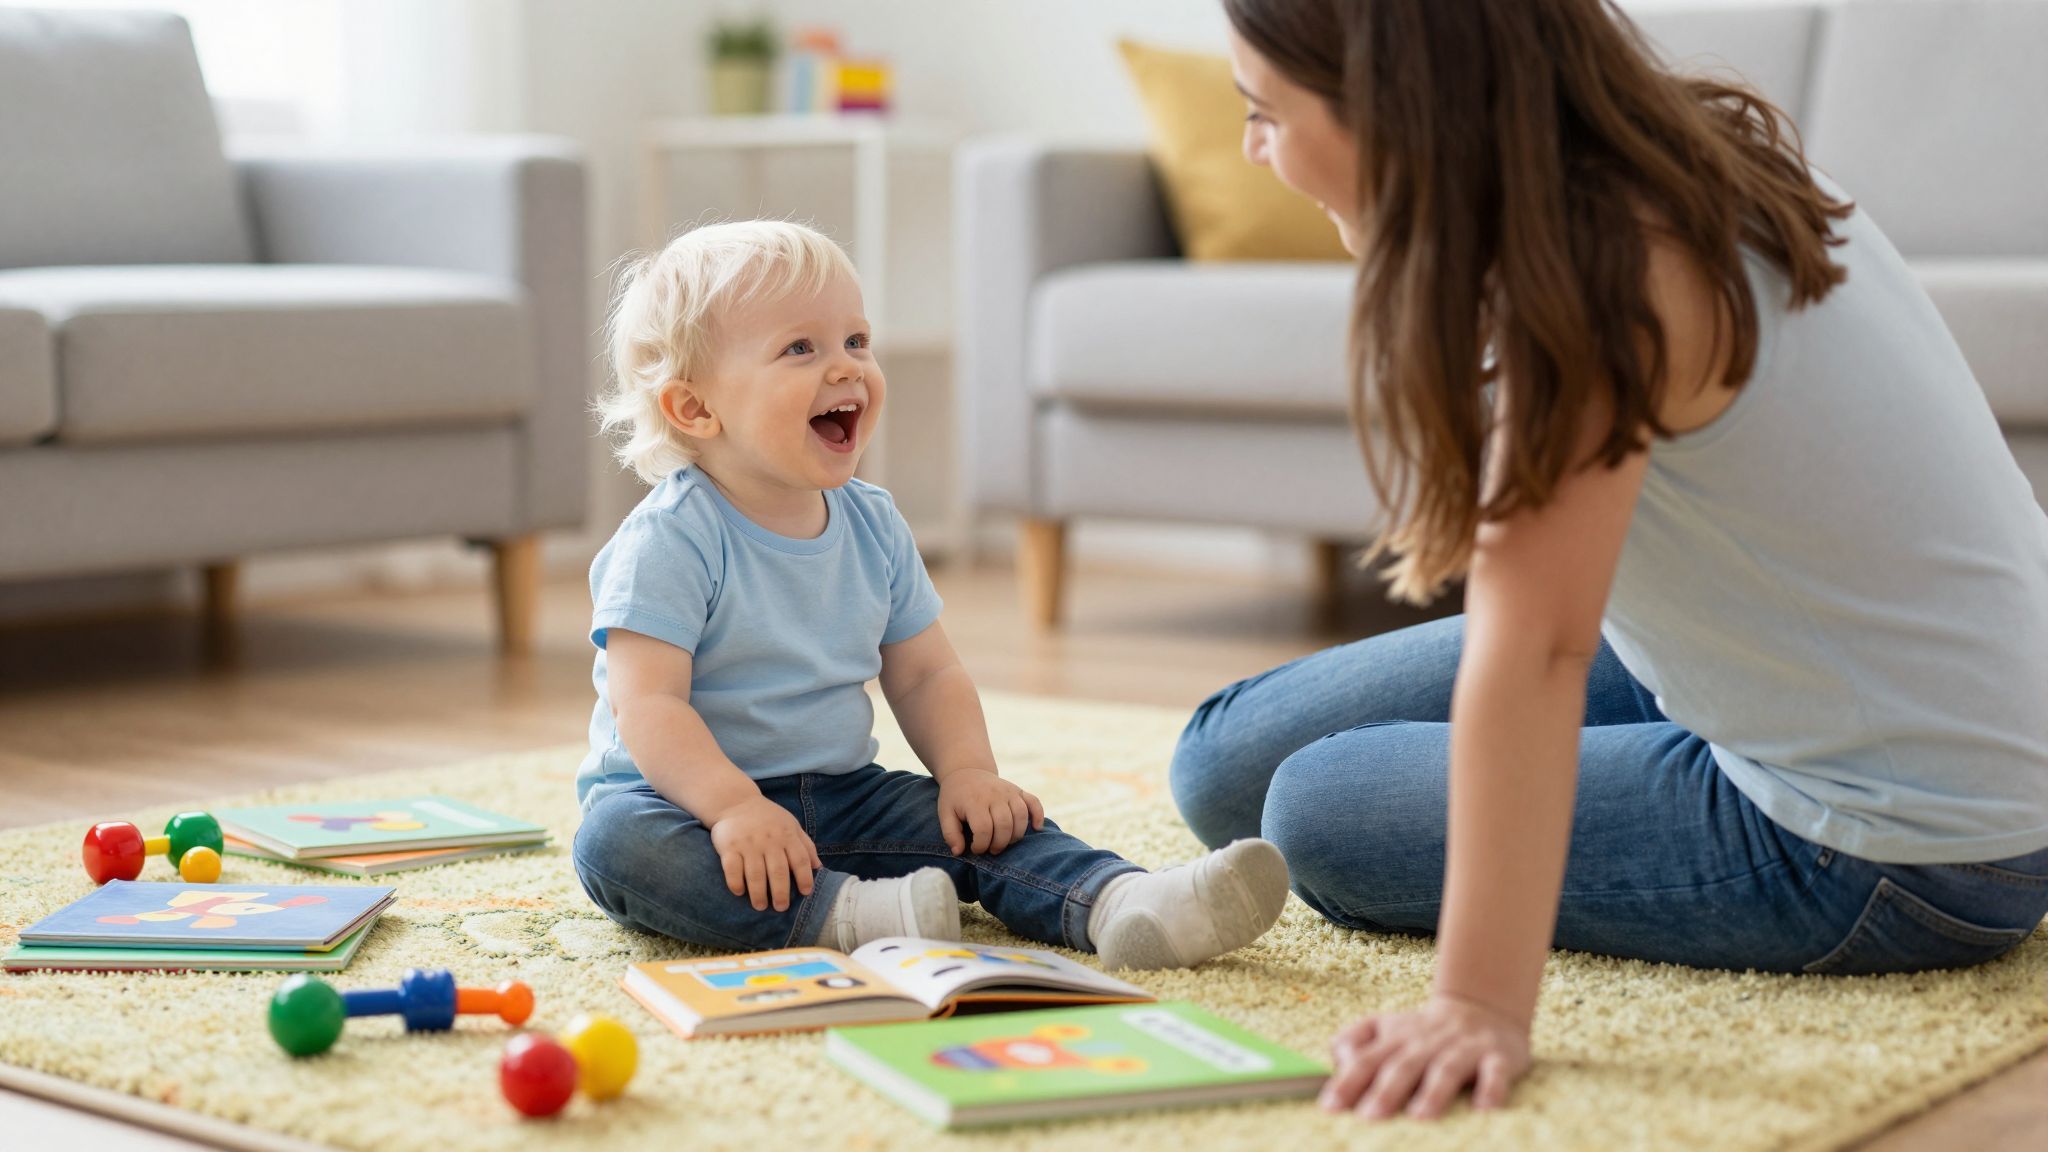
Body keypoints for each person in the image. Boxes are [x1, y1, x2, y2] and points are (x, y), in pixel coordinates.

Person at [1168, 0, 2048, 1121]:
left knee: (1312, 808)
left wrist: (1480, 1002)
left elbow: (1532, 649)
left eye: (1261, 112)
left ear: (1389, 108)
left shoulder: (1596, 273)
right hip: (1806, 673)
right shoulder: (1658, 151)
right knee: (1216, 766)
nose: (1253, 149)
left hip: (1905, 842)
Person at [572, 220, 1290, 971]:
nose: (848, 369)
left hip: (842, 798)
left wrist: (968, 773)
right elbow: (649, 707)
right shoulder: (671, 538)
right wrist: (733, 807)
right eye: (800, 349)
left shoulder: (873, 523)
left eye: (856, 341)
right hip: (685, 807)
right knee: (614, 845)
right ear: (694, 410)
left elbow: (925, 673)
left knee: (981, 824)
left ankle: (1120, 901)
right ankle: (846, 916)